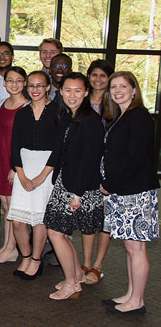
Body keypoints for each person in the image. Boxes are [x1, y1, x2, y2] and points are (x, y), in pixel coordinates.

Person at [101, 71, 159, 315]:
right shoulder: (123, 115)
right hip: (123, 191)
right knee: (130, 246)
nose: (117, 90)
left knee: (136, 248)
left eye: (123, 86)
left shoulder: (139, 118)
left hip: (135, 192)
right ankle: (131, 294)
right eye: (113, 86)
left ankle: (137, 301)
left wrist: (111, 183)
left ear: (134, 90)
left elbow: (135, 159)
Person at [43, 72, 105, 300]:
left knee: (55, 232)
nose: (72, 95)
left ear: (87, 92)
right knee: (61, 233)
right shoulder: (69, 116)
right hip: (66, 183)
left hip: (79, 187)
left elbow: (89, 160)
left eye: (78, 90)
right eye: (67, 90)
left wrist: (76, 194)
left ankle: (72, 283)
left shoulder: (90, 121)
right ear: (60, 91)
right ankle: (77, 273)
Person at [8, 71, 59, 279]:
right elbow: (14, 147)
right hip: (23, 167)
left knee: (39, 220)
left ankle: (37, 260)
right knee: (18, 221)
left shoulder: (57, 111)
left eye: (40, 86)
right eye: (31, 86)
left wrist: (41, 177)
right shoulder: (21, 113)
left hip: (47, 168)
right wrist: (21, 175)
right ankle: (26, 256)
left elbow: (59, 148)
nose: (35, 90)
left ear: (48, 87)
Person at [0, 66, 28, 263]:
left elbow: (26, 142)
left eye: (19, 81)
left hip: (14, 161)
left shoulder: (26, 107)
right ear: (4, 83)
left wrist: (15, 168)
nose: (14, 84)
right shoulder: (4, 103)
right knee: (5, 205)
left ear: (24, 83)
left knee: (13, 207)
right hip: (0, 156)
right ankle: (6, 246)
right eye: (10, 80)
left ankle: (12, 248)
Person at [80, 59, 115, 285]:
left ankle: (98, 265)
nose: (98, 79)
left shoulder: (115, 102)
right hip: (84, 164)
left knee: (105, 218)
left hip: (107, 165)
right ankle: (85, 260)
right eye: (94, 75)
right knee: (87, 215)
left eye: (103, 76)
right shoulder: (81, 100)